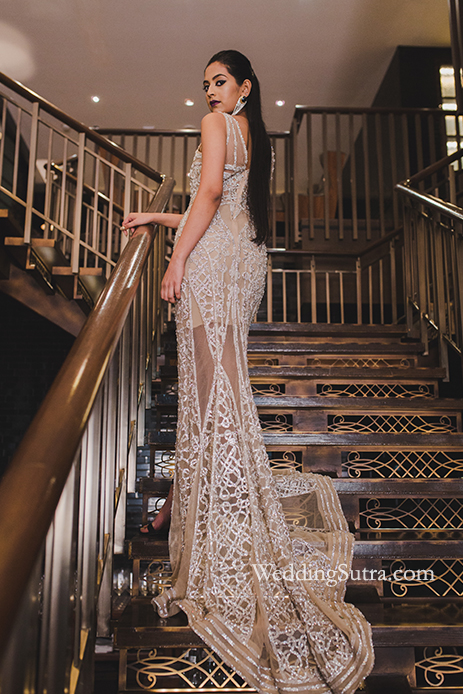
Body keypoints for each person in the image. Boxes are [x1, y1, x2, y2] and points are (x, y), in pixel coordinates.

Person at [122, 50, 374, 694]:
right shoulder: (255, 139)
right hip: (243, 261)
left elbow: (208, 195)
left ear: (244, 86)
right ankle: (189, 504)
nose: (210, 91)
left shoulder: (215, 127)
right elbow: (224, 207)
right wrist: (159, 218)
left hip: (214, 264)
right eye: (205, 84)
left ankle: (204, 522)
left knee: (210, 396)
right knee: (219, 394)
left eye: (220, 82)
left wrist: (175, 260)